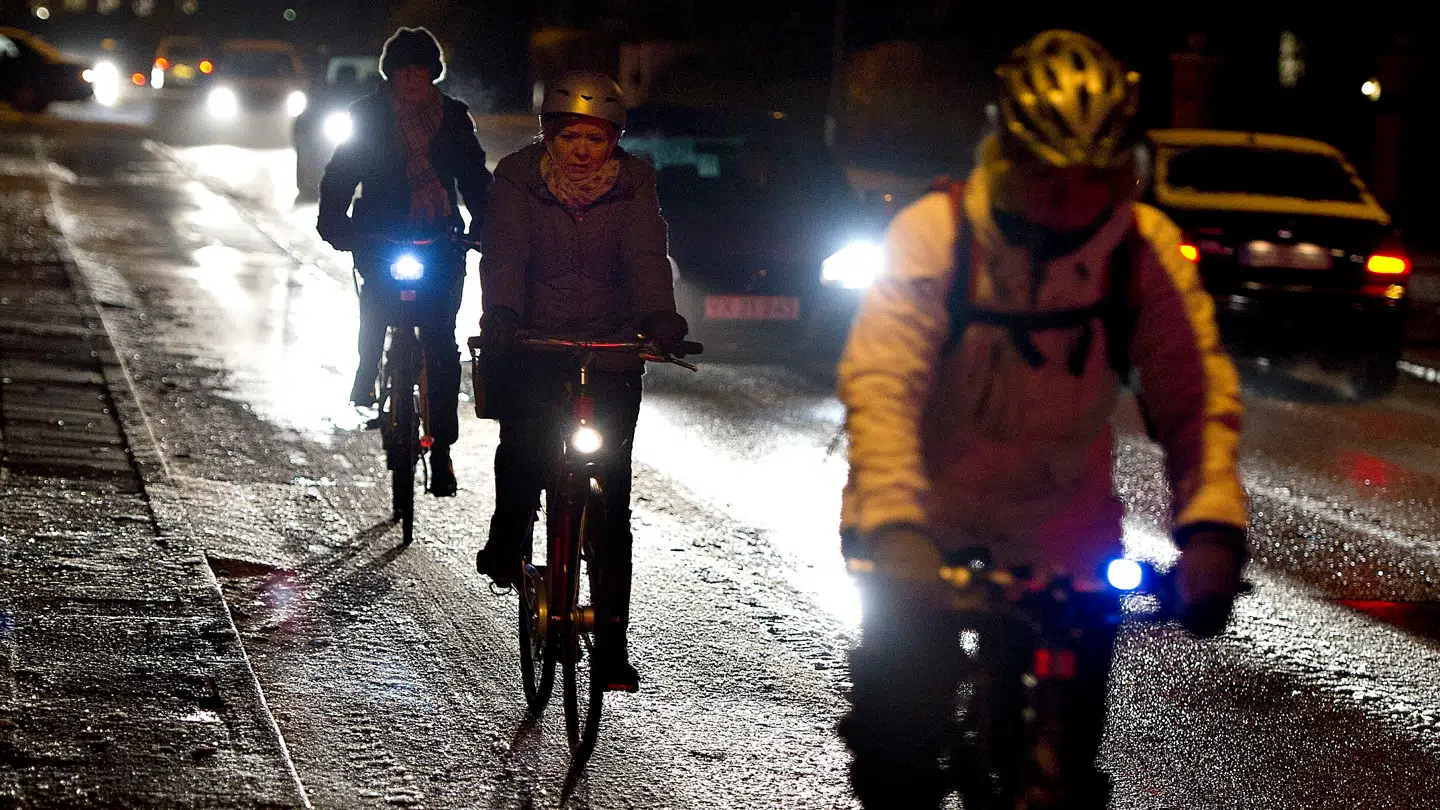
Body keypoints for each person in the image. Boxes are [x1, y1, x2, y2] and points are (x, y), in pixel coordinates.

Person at [836, 30, 1248, 810]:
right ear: (1003, 155)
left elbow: (1195, 398)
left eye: (1089, 178)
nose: (1065, 200)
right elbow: (882, 385)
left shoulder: (1144, 251)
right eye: (1043, 175)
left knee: (1066, 762)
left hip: (1064, 525)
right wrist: (895, 528)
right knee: (899, 746)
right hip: (922, 515)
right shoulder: (935, 234)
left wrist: (1212, 529)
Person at [472, 71, 688, 692]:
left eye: (596, 137)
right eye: (570, 136)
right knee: (524, 451)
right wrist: (504, 318)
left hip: (613, 347)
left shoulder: (635, 185)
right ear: (548, 134)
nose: (582, 149)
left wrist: (659, 319)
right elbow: (504, 255)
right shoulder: (517, 179)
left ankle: (613, 646)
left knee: (611, 500)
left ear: (614, 140)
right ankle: (508, 534)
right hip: (537, 342)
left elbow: (647, 258)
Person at [316, 27, 491, 497]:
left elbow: (475, 177)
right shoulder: (367, 116)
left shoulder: (453, 118)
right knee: (375, 306)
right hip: (380, 233)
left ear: (433, 73)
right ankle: (365, 373)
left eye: (421, 69)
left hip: (439, 238)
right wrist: (335, 223)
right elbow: (340, 174)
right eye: (402, 70)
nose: (412, 78)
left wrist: (485, 224)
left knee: (440, 339)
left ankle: (443, 449)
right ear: (389, 74)